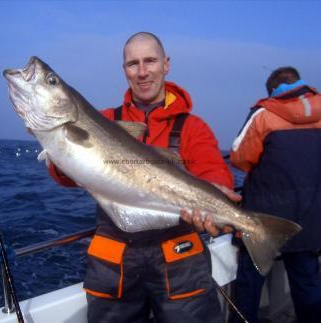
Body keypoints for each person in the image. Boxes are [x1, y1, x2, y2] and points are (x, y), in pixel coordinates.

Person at [49, 32, 239, 323]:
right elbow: (65, 177)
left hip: (179, 259)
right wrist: (58, 148)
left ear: (166, 64)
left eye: (150, 61)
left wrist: (215, 200)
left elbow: (213, 172)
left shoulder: (192, 127)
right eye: (132, 64)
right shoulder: (102, 120)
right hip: (114, 263)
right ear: (124, 70)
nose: (142, 71)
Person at [230, 66, 321, 323]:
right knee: (307, 284)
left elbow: (239, 157)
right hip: (310, 218)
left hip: (264, 218)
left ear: (272, 90)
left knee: (250, 282)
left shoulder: (264, 115)